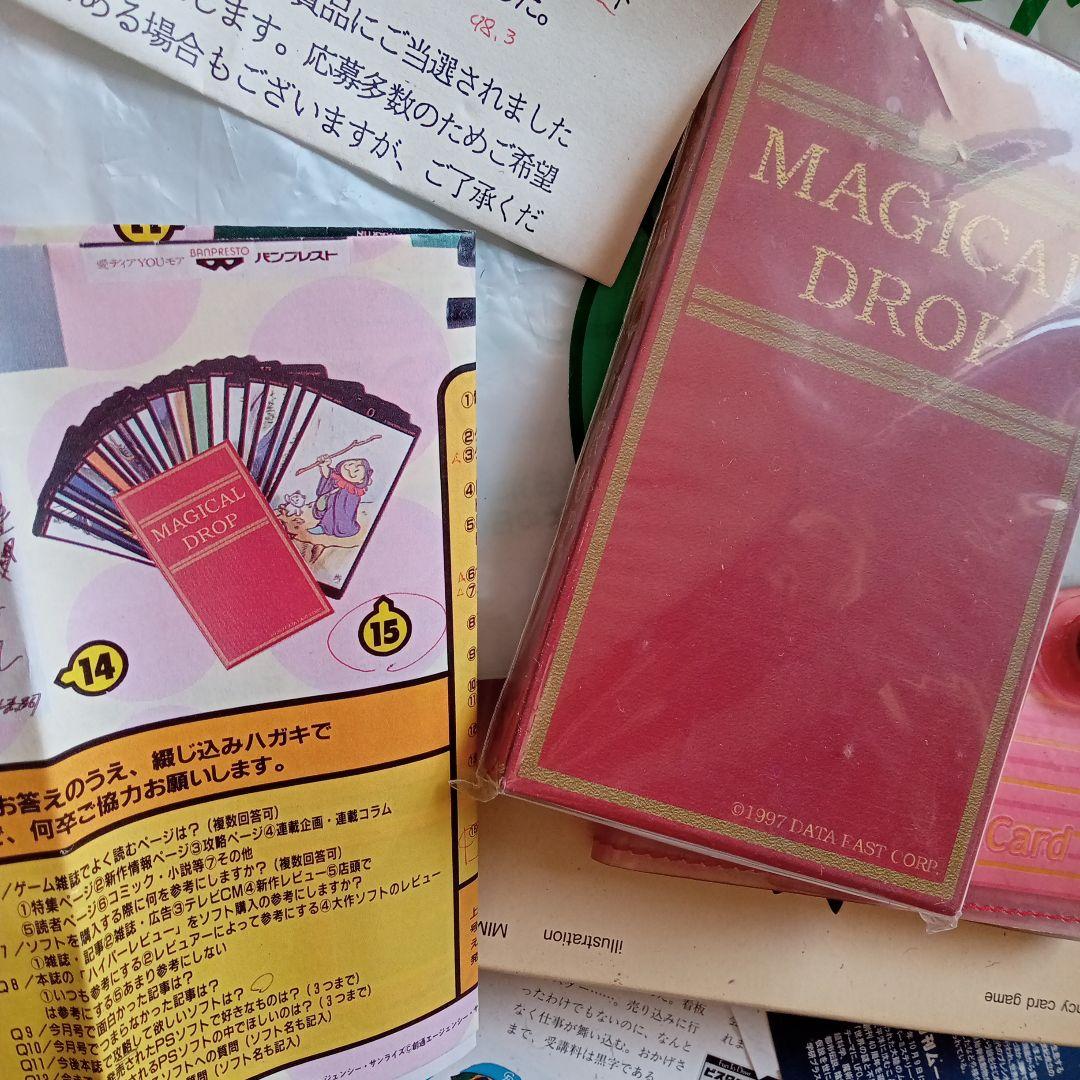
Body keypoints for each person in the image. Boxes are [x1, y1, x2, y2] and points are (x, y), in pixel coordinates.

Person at [308, 455, 373, 538]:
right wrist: (324, 465)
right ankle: (324, 526)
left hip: (342, 508)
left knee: (339, 513)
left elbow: (349, 508)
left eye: (356, 470)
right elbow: (328, 475)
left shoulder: (354, 491)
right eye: (350, 464)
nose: (350, 469)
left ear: (361, 480)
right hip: (331, 503)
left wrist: (340, 500)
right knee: (330, 509)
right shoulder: (337, 477)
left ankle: (333, 527)